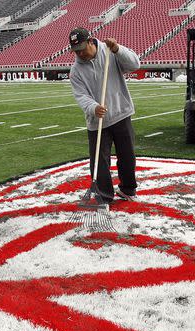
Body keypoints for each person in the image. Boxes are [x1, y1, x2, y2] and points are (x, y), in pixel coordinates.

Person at [68, 27, 140, 203]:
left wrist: (118, 49)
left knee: (127, 156)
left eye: (82, 49)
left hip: (121, 112)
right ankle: (105, 197)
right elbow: (80, 95)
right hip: (96, 120)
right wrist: (93, 107)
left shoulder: (109, 51)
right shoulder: (76, 70)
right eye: (76, 51)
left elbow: (135, 65)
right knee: (99, 162)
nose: (80, 54)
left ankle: (128, 190)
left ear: (91, 41)